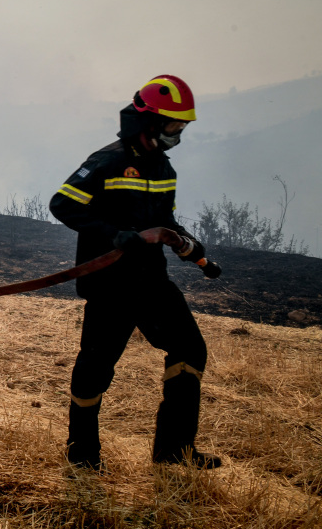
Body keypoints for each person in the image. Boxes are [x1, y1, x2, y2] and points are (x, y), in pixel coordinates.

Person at [49, 74, 221, 471]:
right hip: (110, 285)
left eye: (182, 126)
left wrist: (185, 242)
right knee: (94, 369)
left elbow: (164, 219)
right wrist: (114, 234)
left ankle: (174, 453)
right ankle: (83, 455)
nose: (177, 133)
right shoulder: (107, 161)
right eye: (173, 124)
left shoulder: (163, 170)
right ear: (147, 121)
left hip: (151, 281)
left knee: (189, 349)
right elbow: (63, 204)